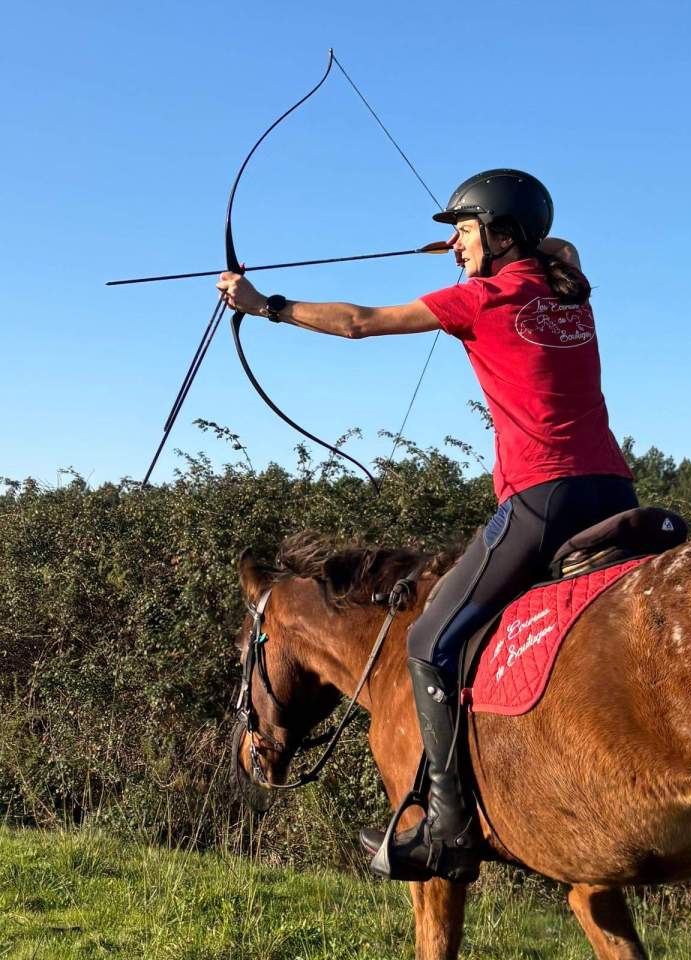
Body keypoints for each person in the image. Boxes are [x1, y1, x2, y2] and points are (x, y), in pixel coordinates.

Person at [217, 169, 637, 884]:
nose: (454, 241)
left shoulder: (484, 296)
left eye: (464, 229)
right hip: (614, 491)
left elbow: (359, 323)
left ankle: (446, 827)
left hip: (542, 501)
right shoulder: (571, 290)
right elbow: (559, 247)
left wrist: (266, 305)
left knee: (426, 640)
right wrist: (477, 242)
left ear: (502, 236)